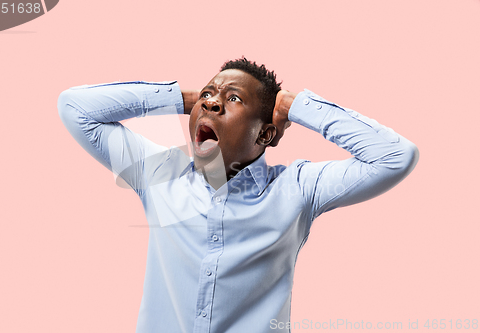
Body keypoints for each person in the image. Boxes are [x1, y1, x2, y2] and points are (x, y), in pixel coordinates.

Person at [58, 57, 419, 333]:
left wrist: (295, 106)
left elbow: (395, 157)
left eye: (232, 99)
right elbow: (75, 107)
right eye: (208, 95)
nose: (212, 103)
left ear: (264, 135)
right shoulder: (159, 174)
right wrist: (181, 98)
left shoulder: (298, 188)